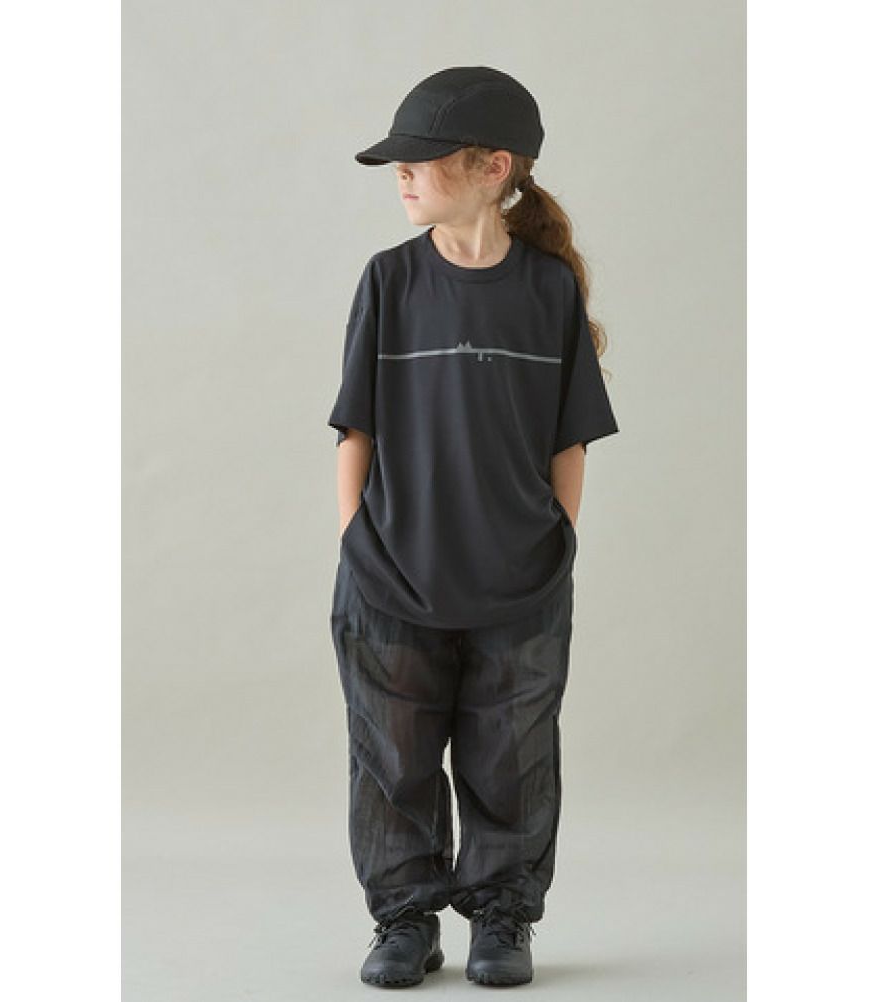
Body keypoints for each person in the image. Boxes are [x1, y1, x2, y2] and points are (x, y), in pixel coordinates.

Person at [328, 65, 619, 989]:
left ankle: (502, 917)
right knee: (394, 761)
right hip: (392, 578)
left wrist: (555, 544)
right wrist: (357, 541)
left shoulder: (548, 291)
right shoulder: (390, 280)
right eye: (399, 163)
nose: (403, 175)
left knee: (513, 759)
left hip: (520, 583)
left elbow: (570, 437)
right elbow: (356, 429)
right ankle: (404, 921)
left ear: (494, 168)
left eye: (421, 160)